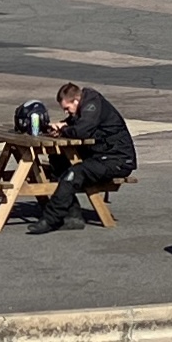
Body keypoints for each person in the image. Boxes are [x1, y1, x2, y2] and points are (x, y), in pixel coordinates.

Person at [36, 78, 136, 229]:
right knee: (58, 160)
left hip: (117, 159)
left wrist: (64, 129)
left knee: (75, 173)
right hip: (99, 155)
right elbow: (77, 124)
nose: (66, 112)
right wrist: (62, 125)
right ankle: (72, 217)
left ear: (76, 101)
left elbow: (82, 131)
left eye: (67, 108)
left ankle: (50, 219)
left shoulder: (92, 104)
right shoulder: (84, 108)